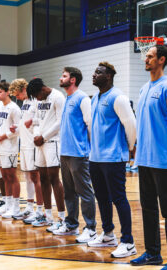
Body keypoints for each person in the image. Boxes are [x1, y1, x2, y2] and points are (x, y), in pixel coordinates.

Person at [130, 45, 167, 270]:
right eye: (146, 56)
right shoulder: (144, 88)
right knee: (148, 208)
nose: (146, 59)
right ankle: (153, 254)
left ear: (162, 60)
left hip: (162, 160)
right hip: (144, 159)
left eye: (150, 56)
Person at [88, 62, 137, 258]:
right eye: (94, 71)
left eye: (98, 72)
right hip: (96, 157)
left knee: (119, 198)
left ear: (108, 76)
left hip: (114, 157)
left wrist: (130, 148)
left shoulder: (118, 97)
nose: (93, 75)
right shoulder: (95, 98)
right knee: (101, 197)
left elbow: (131, 124)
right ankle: (108, 233)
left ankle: (128, 241)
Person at [52, 67, 97, 243]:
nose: (60, 78)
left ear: (72, 80)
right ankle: (71, 224)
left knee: (84, 191)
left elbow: (90, 124)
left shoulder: (82, 98)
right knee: (69, 192)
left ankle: (91, 228)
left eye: (64, 76)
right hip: (65, 153)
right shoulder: (67, 99)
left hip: (79, 154)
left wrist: (91, 151)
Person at [26, 78, 66, 232]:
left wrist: (44, 137)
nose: (36, 99)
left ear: (43, 89)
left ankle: (62, 218)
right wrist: (37, 136)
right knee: (42, 178)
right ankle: (47, 215)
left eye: (37, 95)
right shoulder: (38, 99)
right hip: (40, 142)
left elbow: (60, 121)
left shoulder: (58, 97)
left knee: (54, 178)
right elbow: (36, 120)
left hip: (53, 142)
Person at [9, 78, 44, 223]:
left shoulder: (36, 101)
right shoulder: (24, 103)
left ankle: (41, 210)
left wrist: (32, 123)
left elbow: (40, 120)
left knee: (36, 178)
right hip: (23, 145)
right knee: (27, 177)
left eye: (17, 94)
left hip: (33, 145)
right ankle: (30, 207)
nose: (16, 98)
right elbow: (24, 123)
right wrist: (16, 128)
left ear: (23, 89)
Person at [0, 82, 22, 218]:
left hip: (10, 146)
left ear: (8, 92)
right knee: (4, 176)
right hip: (0, 145)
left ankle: (15, 207)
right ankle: (8, 204)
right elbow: (0, 124)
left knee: (12, 176)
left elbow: (18, 129)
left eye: (0, 92)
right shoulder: (0, 108)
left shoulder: (14, 108)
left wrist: (4, 135)